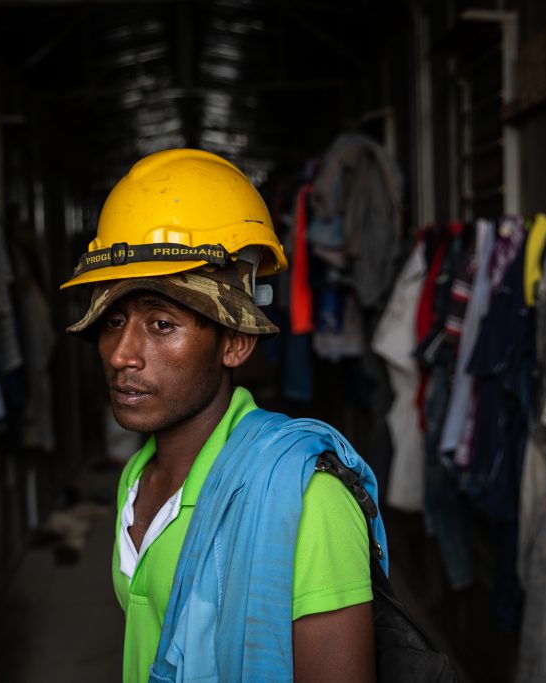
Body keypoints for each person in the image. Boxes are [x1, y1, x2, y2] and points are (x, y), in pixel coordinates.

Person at [61, 149, 389, 682]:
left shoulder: (305, 501)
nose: (123, 353)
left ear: (235, 343)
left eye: (162, 324)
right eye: (113, 320)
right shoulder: (135, 480)